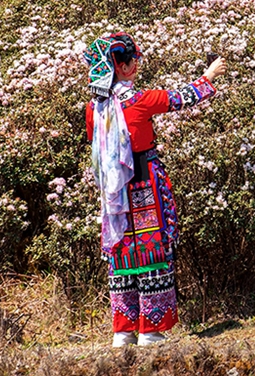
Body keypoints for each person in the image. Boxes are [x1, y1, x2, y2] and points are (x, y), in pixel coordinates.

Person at [83, 33, 227, 347]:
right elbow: (182, 98)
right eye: (132, 60)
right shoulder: (139, 101)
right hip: (145, 182)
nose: (136, 64)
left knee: (121, 254)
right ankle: (151, 330)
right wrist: (209, 76)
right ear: (121, 67)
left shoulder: (94, 110)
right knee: (151, 251)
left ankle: (123, 331)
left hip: (113, 191)